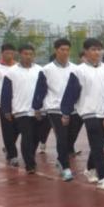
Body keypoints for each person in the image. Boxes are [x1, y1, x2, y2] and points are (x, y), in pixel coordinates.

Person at [61, 38, 104, 190]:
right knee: (97, 145)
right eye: (93, 49)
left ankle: (90, 169)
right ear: (85, 51)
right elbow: (70, 93)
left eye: (99, 49)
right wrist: (65, 113)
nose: (97, 52)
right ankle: (103, 178)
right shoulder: (78, 71)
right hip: (89, 112)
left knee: (99, 144)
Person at [32, 38, 79, 180]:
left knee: (71, 138)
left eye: (67, 50)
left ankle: (61, 159)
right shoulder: (46, 70)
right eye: (62, 49)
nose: (65, 52)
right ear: (56, 50)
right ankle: (65, 167)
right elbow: (40, 89)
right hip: (55, 109)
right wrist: (37, 107)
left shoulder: (76, 69)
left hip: (74, 109)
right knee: (62, 137)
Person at [0, 44, 44, 174]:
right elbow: (6, 92)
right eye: (25, 54)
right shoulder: (11, 72)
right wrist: (6, 110)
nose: (28, 56)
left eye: (30, 54)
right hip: (21, 110)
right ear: (20, 55)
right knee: (27, 136)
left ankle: (30, 156)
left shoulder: (40, 70)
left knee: (36, 137)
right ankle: (30, 164)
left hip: (38, 110)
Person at [0, 43, 19, 164]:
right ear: (2, 53)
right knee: (7, 129)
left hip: (17, 102)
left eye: (11, 53)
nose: (9, 55)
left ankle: (8, 146)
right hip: (2, 103)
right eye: (7, 53)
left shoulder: (18, 67)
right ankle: (12, 155)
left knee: (18, 127)